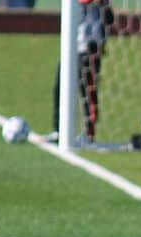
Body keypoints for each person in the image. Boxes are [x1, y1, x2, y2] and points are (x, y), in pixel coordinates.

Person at [51, 0, 114, 143]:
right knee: (59, 87)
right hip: (71, 45)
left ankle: (89, 134)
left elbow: (108, 17)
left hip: (89, 47)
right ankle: (58, 131)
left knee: (88, 92)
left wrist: (102, 42)